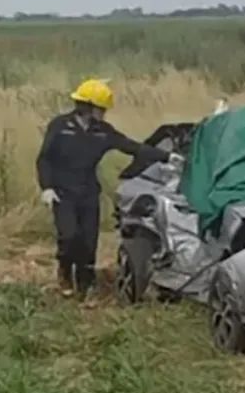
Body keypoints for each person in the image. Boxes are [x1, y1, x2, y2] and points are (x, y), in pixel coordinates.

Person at [36, 78, 180, 298]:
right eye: (100, 108)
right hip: (62, 192)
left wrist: (167, 156)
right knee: (69, 236)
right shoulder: (60, 126)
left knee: (88, 240)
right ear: (87, 106)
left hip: (88, 193)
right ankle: (64, 271)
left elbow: (132, 147)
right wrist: (46, 188)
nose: (103, 112)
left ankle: (86, 283)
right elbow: (44, 159)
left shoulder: (103, 131)